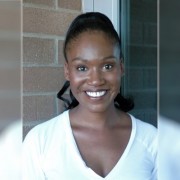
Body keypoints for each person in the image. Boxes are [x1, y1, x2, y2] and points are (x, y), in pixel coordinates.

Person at [23, 12, 157, 180]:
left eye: (107, 66)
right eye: (82, 68)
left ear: (121, 67)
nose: (96, 80)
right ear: (67, 71)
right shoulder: (40, 142)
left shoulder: (152, 141)